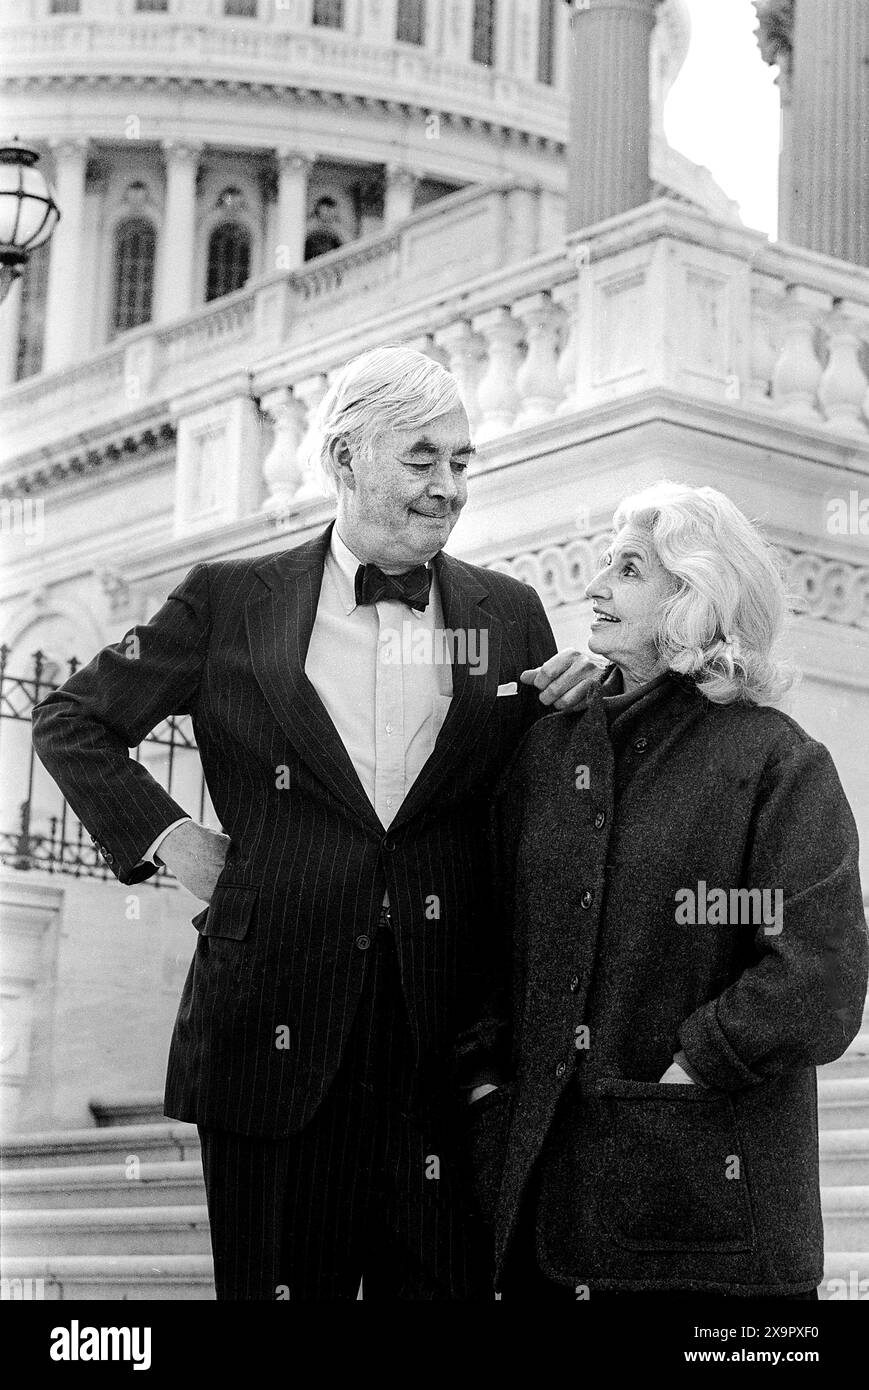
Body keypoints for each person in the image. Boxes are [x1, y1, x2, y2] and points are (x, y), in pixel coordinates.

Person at [31, 345, 595, 1301]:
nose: (448, 487)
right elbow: (72, 721)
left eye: (461, 461)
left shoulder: (510, 613)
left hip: (449, 1053)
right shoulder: (226, 601)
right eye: (420, 458)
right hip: (270, 1037)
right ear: (343, 455)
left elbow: (527, 815)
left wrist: (583, 710)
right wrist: (173, 842)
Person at [460, 480, 868, 1301]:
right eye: (604, 564)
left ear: (692, 594)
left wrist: (690, 1070)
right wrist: (484, 1081)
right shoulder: (544, 756)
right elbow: (483, 937)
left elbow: (818, 973)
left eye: (630, 570)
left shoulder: (774, 761)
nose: (596, 585)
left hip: (710, 1225)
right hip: (536, 1212)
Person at [304, 195, 344, 261]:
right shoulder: (310, 226)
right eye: (327, 210)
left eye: (332, 211)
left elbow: (349, 246)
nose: (329, 214)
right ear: (319, 209)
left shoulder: (336, 229)